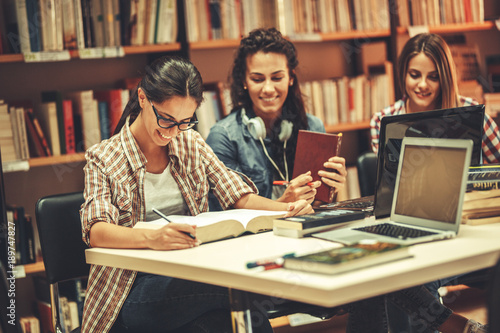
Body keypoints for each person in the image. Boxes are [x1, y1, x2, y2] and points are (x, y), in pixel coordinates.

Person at [79, 56, 314, 333]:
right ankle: (308, 291)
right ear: (142, 98)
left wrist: (286, 209)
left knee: (223, 320)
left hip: (188, 273)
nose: (172, 132)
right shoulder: (104, 157)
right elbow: (96, 231)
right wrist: (153, 239)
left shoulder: (189, 141)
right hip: (129, 291)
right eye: (166, 119)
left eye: (184, 121)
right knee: (235, 289)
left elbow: (237, 194)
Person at [369, 33, 493, 333]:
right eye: (415, 75)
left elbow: (496, 167)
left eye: (433, 77)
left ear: (445, 78)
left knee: (403, 282)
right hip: (414, 226)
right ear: (403, 75)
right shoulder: (384, 120)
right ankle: (460, 327)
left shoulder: (471, 113)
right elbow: (390, 187)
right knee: (398, 275)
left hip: (467, 226)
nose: (422, 84)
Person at [206, 28, 347, 210]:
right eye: (257, 79)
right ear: (244, 81)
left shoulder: (312, 126)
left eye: (277, 77)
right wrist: (284, 205)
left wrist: (331, 187)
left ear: (290, 78)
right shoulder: (223, 136)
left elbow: (318, 206)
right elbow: (226, 209)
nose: (268, 89)